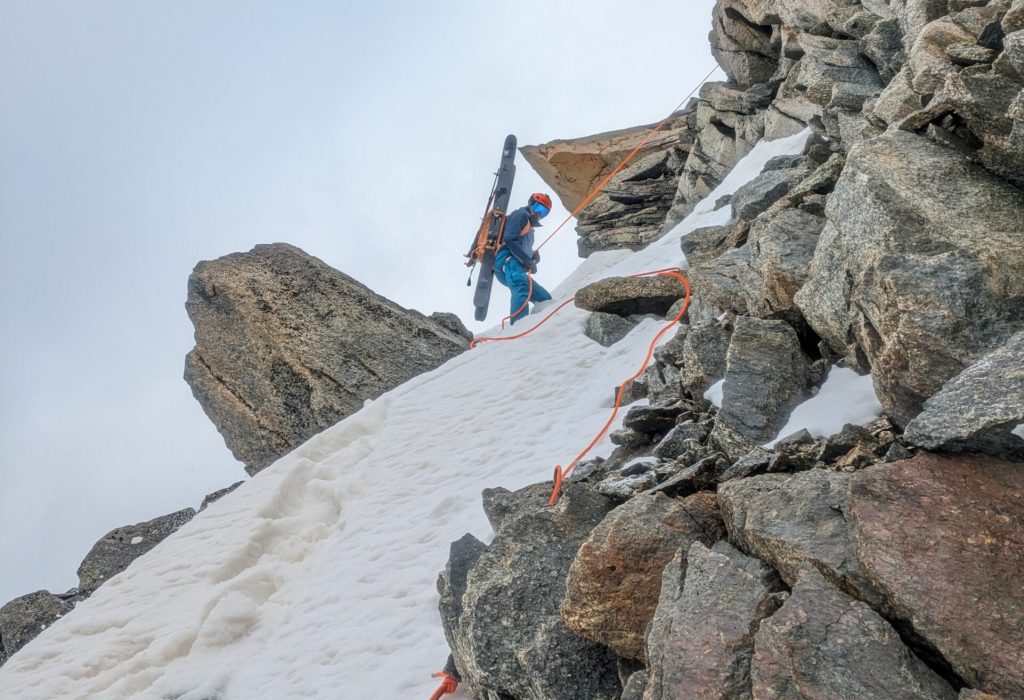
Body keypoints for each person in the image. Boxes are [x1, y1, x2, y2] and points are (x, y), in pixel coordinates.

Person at [493, 192, 553, 324]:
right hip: (509, 262)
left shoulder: (530, 228)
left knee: (546, 300)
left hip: (516, 266)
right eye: (538, 207)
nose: (539, 213)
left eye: (543, 212)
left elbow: (519, 244)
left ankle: (540, 328)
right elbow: (510, 239)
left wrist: (532, 255)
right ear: (530, 203)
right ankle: (518, 328)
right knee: (521, 287)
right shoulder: (521, 215)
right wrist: (528, 261)